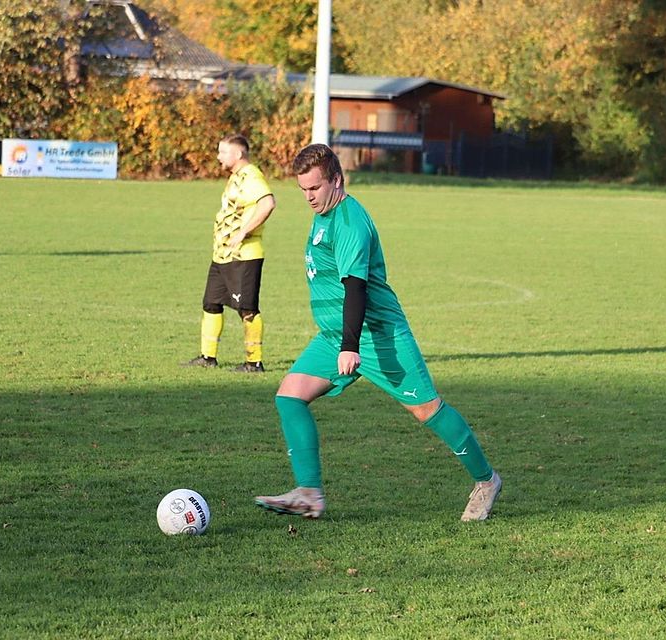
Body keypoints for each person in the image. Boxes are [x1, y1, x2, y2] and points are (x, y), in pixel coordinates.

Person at [255, 143, 501, 521]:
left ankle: (486, 481)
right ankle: (309, 493)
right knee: (290, 396)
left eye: (314, 188)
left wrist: (350, 346)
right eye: (303, 189)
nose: (308, 196)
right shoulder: (324, 212)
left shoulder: (350, 221)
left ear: (337, 180)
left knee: (427, 409)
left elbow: (356, 286)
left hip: (375, 334)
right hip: (334, 336)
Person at [182, 134, 276, 372]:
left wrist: (243, 231)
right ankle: (207, 357)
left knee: (247, 309)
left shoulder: (252, 176)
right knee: (211, 303)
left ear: (238, 154)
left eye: (222, 152)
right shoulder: (236, 177)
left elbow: (268, 203)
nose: (218, 156)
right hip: (223, 255)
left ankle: (254, 362)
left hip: (243, 256)